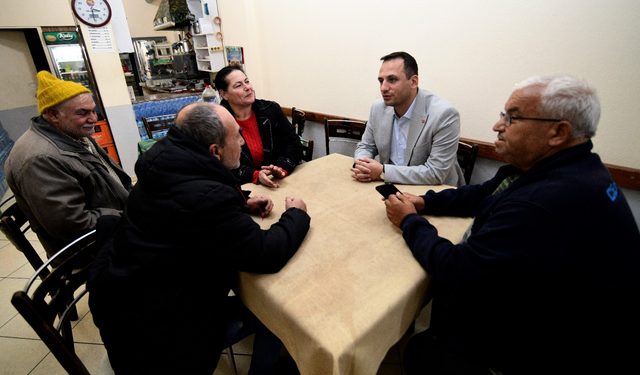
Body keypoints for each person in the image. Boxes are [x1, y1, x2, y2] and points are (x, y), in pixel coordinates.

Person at [384, 75, 640, 374]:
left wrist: (409, 221)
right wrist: (425, 202)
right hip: (548, 309)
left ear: (558, 132)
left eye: (513, 118)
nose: (497, 125)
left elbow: (456, 269)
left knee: (422, 352)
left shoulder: (543, 204)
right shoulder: (570, 167)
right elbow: (483, 193)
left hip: (560, 351)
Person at [88, 102, 310, 375]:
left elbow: (183, 209)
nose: (242, 141)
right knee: (275, 312)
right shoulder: (207, 199)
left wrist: (240, 204)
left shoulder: (163, 162)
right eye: (237, 136)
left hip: (128, 304)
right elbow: (267, 253)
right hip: (160, 338)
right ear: (214, 151)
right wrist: (296, 215)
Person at [4, 71, 131, 263]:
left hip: (111, 225)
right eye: (83, 113)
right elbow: (72, 224)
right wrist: (128, 216)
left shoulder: (74, 134)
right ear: (53, 114)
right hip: (87, 250)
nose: (93, 118)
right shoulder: (40, 158)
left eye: (93, 110)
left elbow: (110, 180)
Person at [351, 52, 465, 186]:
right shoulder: (378, 108)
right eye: (381, 81)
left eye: (392, 80)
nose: (383, 88)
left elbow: (435, 173)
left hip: (433, 194)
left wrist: (384, 172)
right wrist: (362, 165)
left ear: (413, 82)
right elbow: (366, 146)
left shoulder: (444, 114)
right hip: (390, 187)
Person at [215, 65, 302, 188]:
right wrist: (255, 175)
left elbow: (293, 143)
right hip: (241, 189)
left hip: (278, 182)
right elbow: (220, 162)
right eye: (238, 85)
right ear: (224, 94)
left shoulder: (271, 110)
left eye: (247, 81)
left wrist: (280, 168)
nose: (247, 88)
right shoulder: (218, 122)